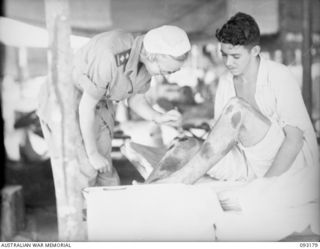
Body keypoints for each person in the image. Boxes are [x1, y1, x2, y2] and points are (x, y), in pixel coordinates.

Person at [154, 13, 318, 197]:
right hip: (250, 164)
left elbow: (294, 141)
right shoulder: (225, 82)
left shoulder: (279, 75)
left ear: (255, 51)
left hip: (291, 164)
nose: (228, 62)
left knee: (238, 108)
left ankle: (178, 181)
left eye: (235, 56)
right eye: (224, 55)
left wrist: (265, 186)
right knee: (186, 145)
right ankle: (149, 188)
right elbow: (221, 142)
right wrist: (192, 150)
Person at [37, 25, 191, 187]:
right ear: (152, 56)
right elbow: (86, 108)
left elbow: (135, 100)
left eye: (171, 72)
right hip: (65, 97)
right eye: (165, 70)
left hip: (97, 100)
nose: (167, 75)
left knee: (105, 169)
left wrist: (159, 117)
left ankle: (107, 208)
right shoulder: (110, 56)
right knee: (84, 168)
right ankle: (84, 211)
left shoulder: (147, 64)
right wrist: (93, 153)